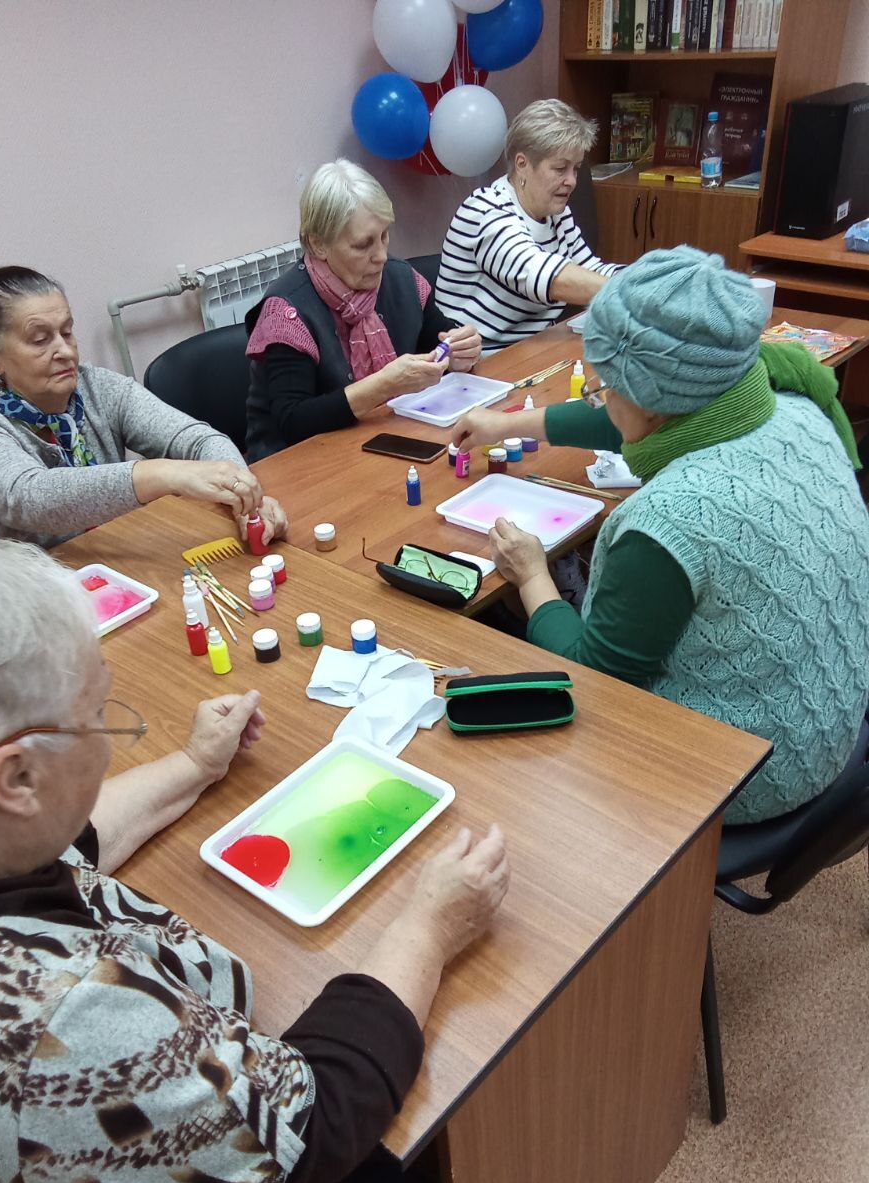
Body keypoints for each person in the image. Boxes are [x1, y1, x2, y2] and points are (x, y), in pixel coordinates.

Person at [0, 538, 509, 1183]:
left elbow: (68, 845)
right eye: (98, 714)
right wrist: (429, 928)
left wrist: (195, 765)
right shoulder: (53, 1027)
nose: (109, 736)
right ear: (17, 778)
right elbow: (309, 1129)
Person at [452, 246, 869, 824]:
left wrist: (531, 575)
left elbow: (591, 677)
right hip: (830, 723)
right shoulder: (795, 409)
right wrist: (509, 423)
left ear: (648, 400)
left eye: (604, 386)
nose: (602, 398)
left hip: (747, 775)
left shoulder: (669, 524)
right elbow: (636, 420)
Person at [0, 266, 288, 548]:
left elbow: (196, 439)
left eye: (67, 332)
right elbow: (29, 498)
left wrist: (243, 496)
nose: (65, 351)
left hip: (99, 563)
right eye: (40, 339)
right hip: (0, 594)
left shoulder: (96, 386)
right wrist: (162, 474)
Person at [244, 159, 482, 461]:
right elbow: (293, 423)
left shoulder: (401, 279)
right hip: (300, 464)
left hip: (382, 442)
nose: (381, 255)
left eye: (384, 236)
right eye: (362, 245)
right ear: (318, 245)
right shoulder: (286, 313)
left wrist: (459, 352)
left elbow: (437, 343)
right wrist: (383, 385)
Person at [435, 99, 621, 352]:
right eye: (560, 168)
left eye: (576, 169)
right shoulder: (485, 211)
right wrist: (634, 292)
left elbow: (590, 270)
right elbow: (546, 277)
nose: (572, 181)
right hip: (476, 361)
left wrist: (652, 278)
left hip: (531, 351)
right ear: (522, 164)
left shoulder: (557, 215)